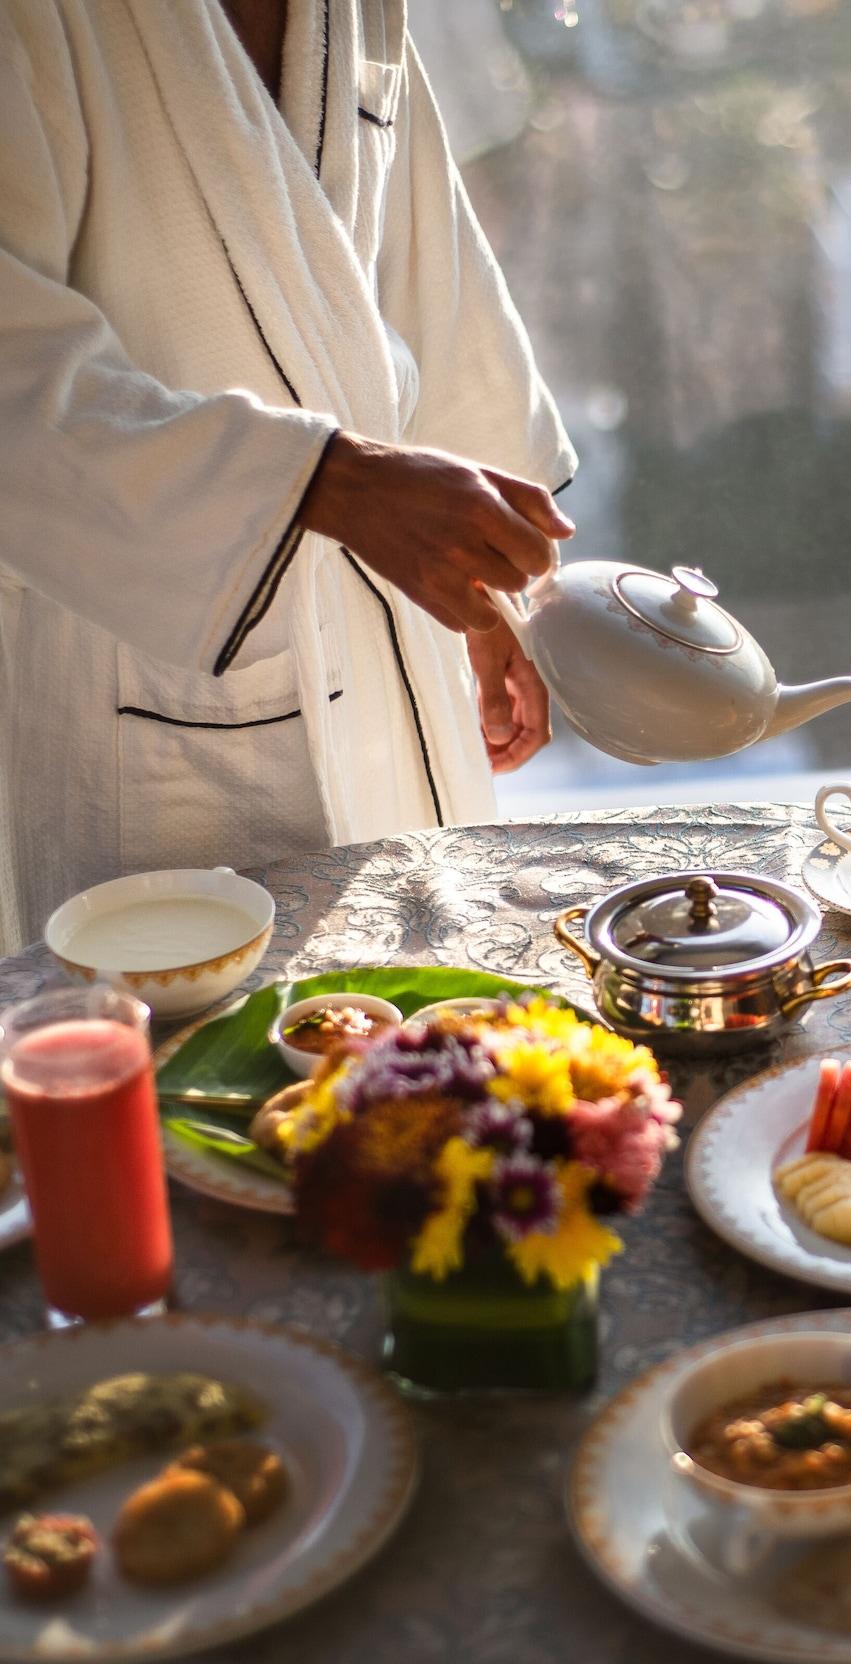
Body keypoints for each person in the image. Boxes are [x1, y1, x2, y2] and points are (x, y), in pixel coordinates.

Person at [0, 0, 577, 953]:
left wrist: (513, 582)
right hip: (142, 675)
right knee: (190, 1069)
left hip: (393, 647)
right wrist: (329, 484)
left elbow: (432, 277)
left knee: (418, 1050)